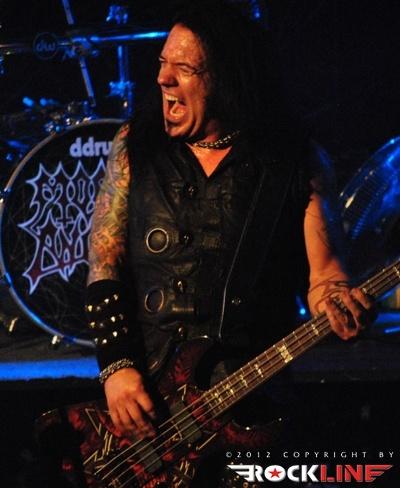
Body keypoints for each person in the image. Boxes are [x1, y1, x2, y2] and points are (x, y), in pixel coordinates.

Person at [85, 1, 376, 485]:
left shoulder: (294, 160)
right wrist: (116, 367)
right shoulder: (135, 145)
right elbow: (103, 261)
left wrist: (338, 302)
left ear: (227, 77)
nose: (162, 79)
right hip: (149, 407)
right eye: (162, 64)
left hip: (251, 399)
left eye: (183, 69)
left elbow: (326, 275)